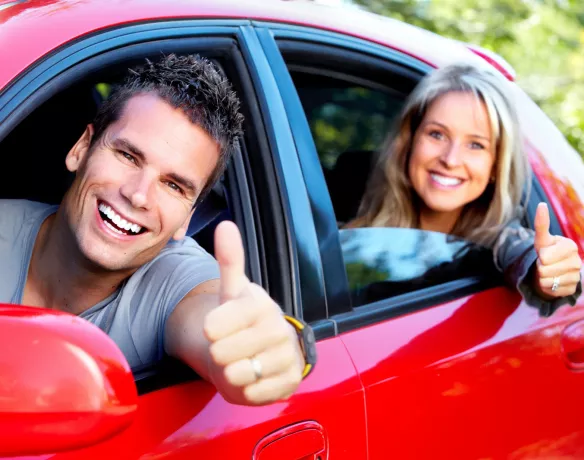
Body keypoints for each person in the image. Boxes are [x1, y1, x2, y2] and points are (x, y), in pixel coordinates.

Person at [0, 54, 313, 406]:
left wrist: (276, 346)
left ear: (188, 218)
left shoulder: (174, 279)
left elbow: (210, 314)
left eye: (173, 185)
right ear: (81, 149)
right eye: (128, 156)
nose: (138, 195)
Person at [347, 63, 582, 316]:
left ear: (496, 166)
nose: (451, 159)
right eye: (437, 134)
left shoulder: (499, 240)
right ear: (409, 141)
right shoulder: (350, 223)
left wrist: (551, 278)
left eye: (476, 145)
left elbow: (527, 258)